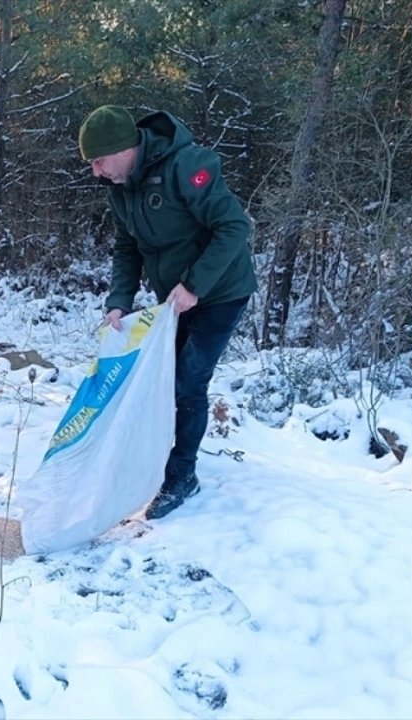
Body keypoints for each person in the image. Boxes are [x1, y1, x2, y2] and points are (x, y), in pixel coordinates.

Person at [78, 104, 257, 520]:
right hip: (175, 298)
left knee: (188, 382)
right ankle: (156, 459)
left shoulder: (187, 166)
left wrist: (195, 285)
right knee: (160, 380)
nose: (96, 172)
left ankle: (181, 477)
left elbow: (234, 226)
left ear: (124, 149)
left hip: (221, 290)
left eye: (99, 161)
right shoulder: (121, 187)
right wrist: (119, 300)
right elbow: (127, 247)